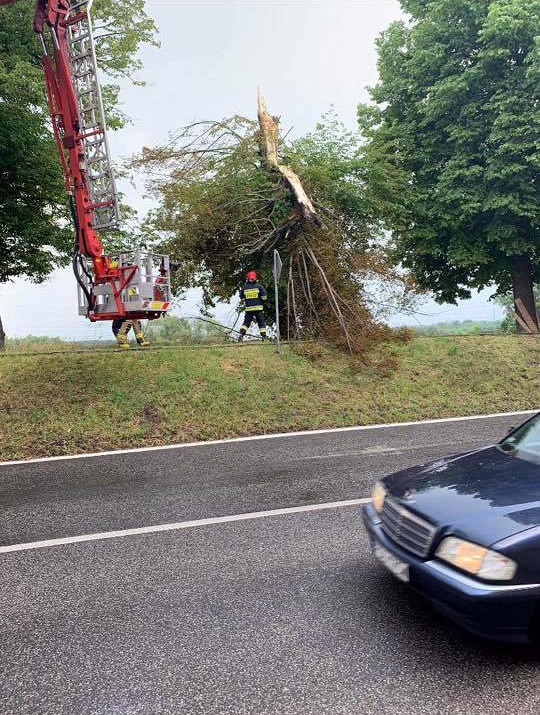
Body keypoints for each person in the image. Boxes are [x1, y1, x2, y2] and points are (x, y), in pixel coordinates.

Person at [238, 270, 268, 341]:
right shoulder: (259, 286)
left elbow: (241, 296)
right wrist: (260, 299)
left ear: (247, 278)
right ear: (255, 278)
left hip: (249, 309)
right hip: (258, 309)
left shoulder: (244, 287)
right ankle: (264, 337)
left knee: (246, 323)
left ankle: (241, 335)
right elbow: (264, 297)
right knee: (261, 322)